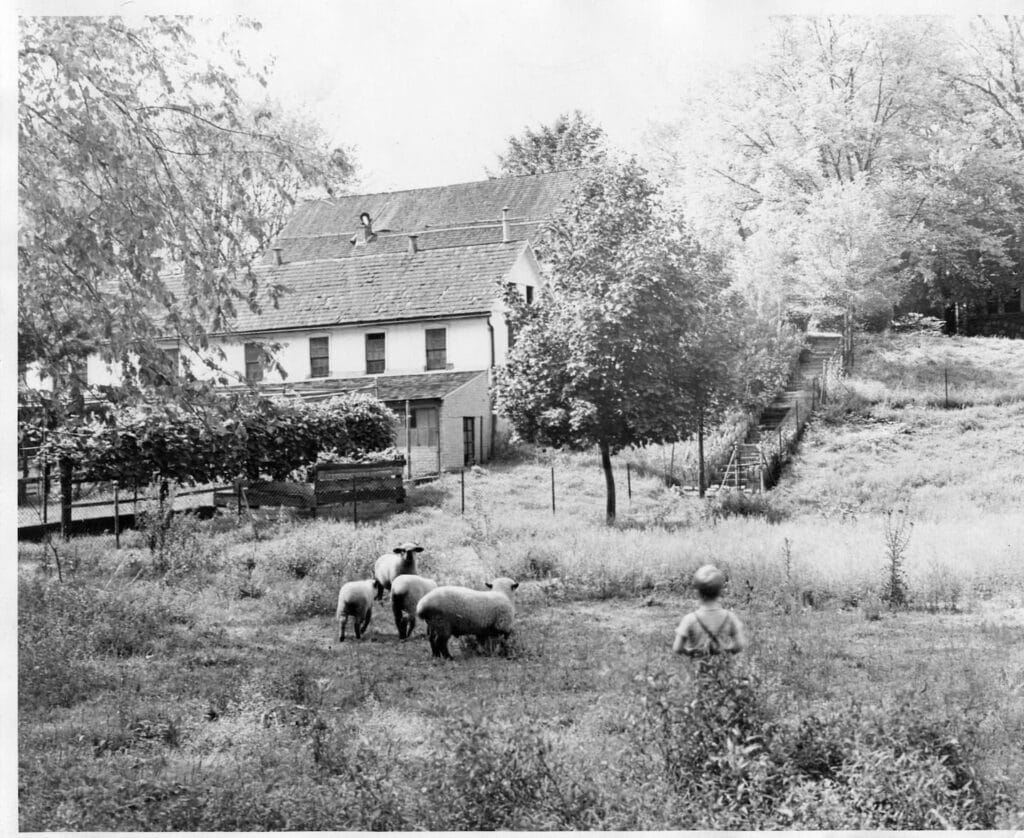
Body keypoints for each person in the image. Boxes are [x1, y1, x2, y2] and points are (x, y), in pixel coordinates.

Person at [673, 564, 747, 659]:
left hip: (698, 670)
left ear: (697, 592)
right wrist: (725, 651)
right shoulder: (730, 617)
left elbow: (677, 648)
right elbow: (739, 645)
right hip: (723, 671)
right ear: (721, 592)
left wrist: (690, 652)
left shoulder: (689, 619)